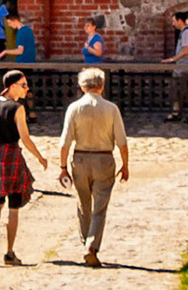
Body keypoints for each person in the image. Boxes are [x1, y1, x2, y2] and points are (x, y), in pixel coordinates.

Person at [58, 66, 130, 269]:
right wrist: (125, 164)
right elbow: (122, 141)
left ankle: (85, 243)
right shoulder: (111, 108)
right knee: (100, 206)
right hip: (104, 159)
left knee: (83, 205)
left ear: (82, 86)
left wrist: (63, 167)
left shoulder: (74, 108)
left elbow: (64, 142)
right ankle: (92, 246)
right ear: (102, 86)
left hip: (80, 159)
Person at [0, 70, 47, 266]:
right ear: (12, 86)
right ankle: (9, 253)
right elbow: (25, 138)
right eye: (23, 85)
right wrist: (40, 157)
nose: (27, 88)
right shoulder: (18, 108)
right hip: (12, 157)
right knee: (13, 208)